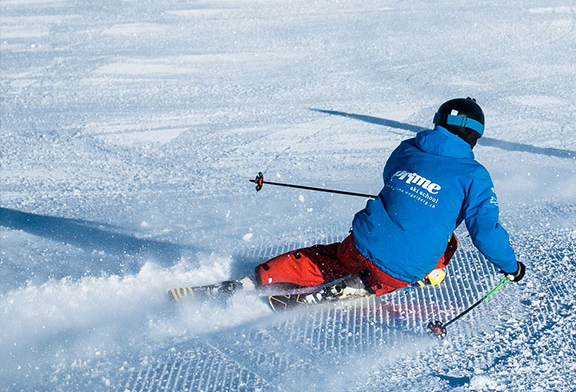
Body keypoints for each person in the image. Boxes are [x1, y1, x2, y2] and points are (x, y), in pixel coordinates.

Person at [190, 97, 525, 305]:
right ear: (473, 136)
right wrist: (511, 267)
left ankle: (255, 280)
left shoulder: (410, 148)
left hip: (366, 239)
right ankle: (357, 287)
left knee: (331, 258)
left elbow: (390, 178)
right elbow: (486, 233)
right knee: (444, 241)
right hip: (405, 266)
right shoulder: (475, 175)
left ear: (439, 122)